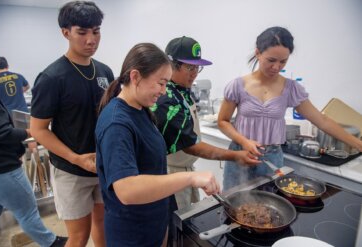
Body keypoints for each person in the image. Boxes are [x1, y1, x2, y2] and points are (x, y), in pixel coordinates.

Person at [95, 43, 220, 247]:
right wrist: (189, 177)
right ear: (135, 77)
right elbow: (127, 190)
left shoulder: (141, 108)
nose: (164, 91)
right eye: (161, 83)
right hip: (132, 233)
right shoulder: (116, 123)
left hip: (153, 223)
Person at [218, 26, 362, 190]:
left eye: (283, 61)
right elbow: (223, 121)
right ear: (258, 53)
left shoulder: (291, 89)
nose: (277, 67)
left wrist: (358, 144)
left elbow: (322, 121)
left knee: (269, 208)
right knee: (233, 203)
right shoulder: (238, 86)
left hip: (271, 158)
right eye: (271, 60)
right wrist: (244, 141)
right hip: (239, 155)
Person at [30, 1, 114, 246]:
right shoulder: (52, 77)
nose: (91, 39)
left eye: (96, 31)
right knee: (79, 236)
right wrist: (76, 158)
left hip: (102, 166)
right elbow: (38, 130)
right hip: (71, 171)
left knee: (103, 224)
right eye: (82, 32)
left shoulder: (105, 72)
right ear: (66, 32)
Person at [152, 36, 260, 209]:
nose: (194, 72)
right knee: (176, 226)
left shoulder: (183, 91)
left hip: (186, 170)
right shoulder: (167, 98)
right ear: (171, 65)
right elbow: (190, 145)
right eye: (189, 67)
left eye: (197, 67)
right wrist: (235, 155)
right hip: (171, 173)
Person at [0, 52, 67, 246]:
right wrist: (29, 132)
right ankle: (51, 243)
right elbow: (2, 134)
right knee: (27, 211)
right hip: (2, 168)